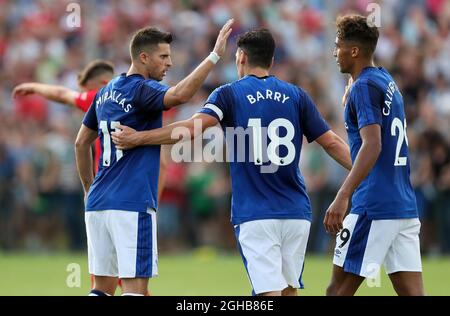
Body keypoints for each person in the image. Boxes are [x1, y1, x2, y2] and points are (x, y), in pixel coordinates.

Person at [111, 28, 352, 296]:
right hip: (296, 212)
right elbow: (331, 142)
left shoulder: (228, 94)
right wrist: (366, 169)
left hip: (256, 213)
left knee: (268, 295)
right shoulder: (296, 96)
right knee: (288, 290)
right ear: (271, 61)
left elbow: (190, 129)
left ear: (240, 58)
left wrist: (139, 138)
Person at [75, 20, 234, 296]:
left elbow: (80, 143)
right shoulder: (141, 89)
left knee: (100, 289)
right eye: (163, 57)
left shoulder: (104, 93)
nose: (169, 63)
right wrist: (214, 56)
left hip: (99, 204)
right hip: (132, 202)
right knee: (136, 290)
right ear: (143, 57)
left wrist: (89, 188)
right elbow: (182, 94)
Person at [323, 15, 424, 296]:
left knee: (337, 290)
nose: (334, 52)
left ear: (354, 50)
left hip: (373, 206)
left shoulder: (364, 87)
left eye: (338, 46)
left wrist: (343, 195)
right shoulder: (384, 79)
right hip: (403, 206)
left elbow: (373, 145)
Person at [12, 59, 115, 173]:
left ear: (104, 83)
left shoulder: (99, 97)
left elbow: (62, 94)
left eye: (89, 91)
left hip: (109, 181)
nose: (88, 95)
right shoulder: (132, 97)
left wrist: (33, 87)